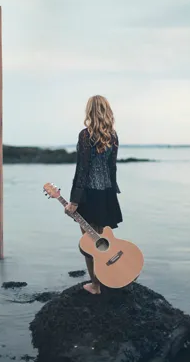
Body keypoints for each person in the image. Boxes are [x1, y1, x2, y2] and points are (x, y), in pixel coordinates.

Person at [64, 95, 123, 295]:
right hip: (106, 194)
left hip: (89, 195)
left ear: (89, 111)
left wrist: (74, 201)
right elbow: (112, 167)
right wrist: (113, 191)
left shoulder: (85, 135)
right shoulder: (113, 136)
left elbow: (82, 170)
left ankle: (96, 286)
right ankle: (110, 279)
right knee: (104, 242)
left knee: (90, 244)